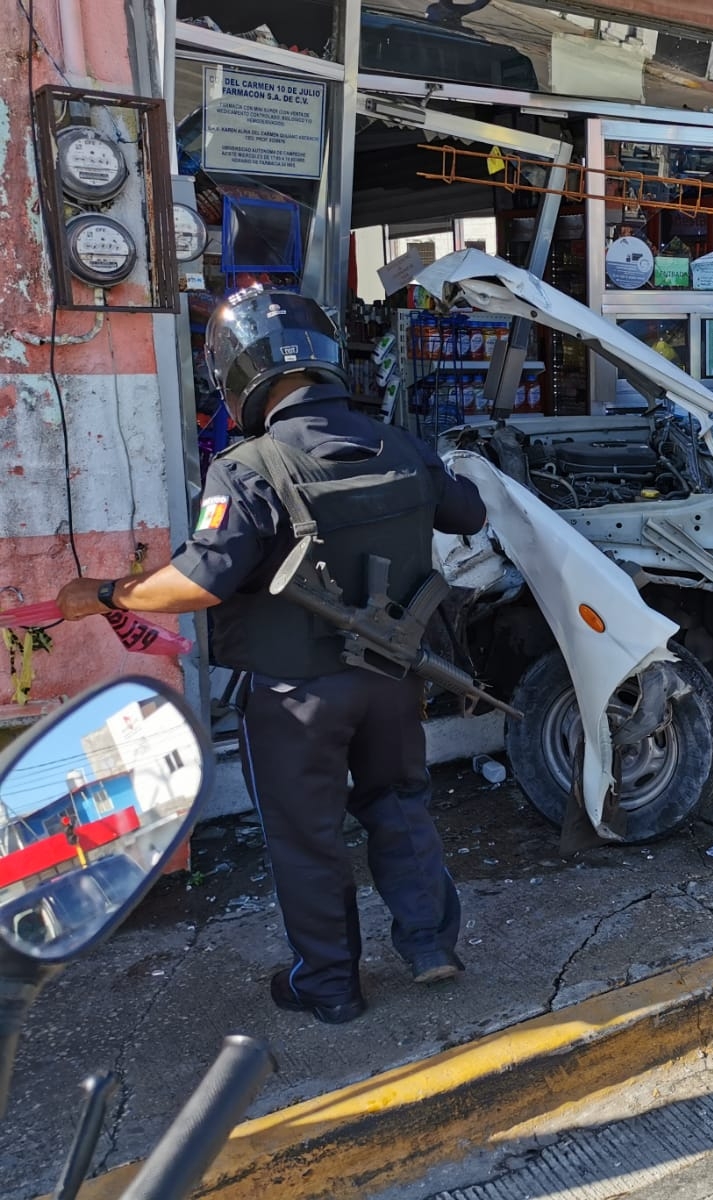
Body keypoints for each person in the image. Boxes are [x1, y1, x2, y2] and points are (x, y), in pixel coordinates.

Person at [56, 288, 488, 1024]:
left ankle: (329, 985)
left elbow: (199, 580)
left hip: (295, 700)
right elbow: (470, 513)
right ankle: (429, 945)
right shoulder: (400, 442)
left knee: (306, 837)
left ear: (237, 372)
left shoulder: (248, 467)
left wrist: (105, 593)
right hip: (392, 682)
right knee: (401, 806)